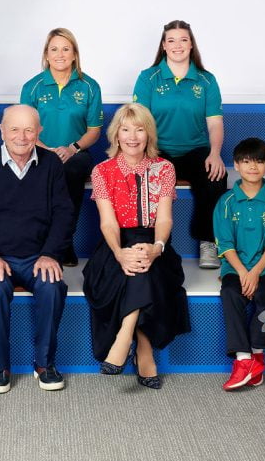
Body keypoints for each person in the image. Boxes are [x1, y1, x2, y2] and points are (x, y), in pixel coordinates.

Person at [0, 104, 73, 393]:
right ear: (1, 131)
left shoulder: (51, 164)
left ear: (39, 132)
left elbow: (63, 214)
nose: (22, 136)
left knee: (52, 285)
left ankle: (44, 363)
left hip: (37, 255)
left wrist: (50, 253)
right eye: (14, 129)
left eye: (29, 129)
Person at [82, 103, 190, 390]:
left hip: (155, 241)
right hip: (115, 244)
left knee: (145, 263)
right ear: (116, 135)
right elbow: (108, 223)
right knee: (134, 267)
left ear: (148, 135)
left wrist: (156, 247)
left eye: (139, 129)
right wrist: (119, 253)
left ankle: (124, 336)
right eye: (126, 130)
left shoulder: (164, 168)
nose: (132, 136)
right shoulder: (102, 171)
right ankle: (144, 350)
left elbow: (165, 219)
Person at [133, 19, 227, 269]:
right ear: (163, 46)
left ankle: (208, 241)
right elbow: (139, 120)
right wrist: (142, 156)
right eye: (171, 40)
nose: (177, 45)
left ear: (191, 44)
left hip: (194, 150)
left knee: (216, 176)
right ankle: (157, 244)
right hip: (157, 150)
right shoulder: (148, 78)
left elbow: (215, 123)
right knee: (143, 180)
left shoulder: (206, 80)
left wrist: (215, 153)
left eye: (183, 39)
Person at [214, 137, 265, 390]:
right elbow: (224, 243)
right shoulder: (225, 203)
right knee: (230, 293)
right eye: (246, 161)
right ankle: (244, 359)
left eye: (259, 161)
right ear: (236, 165)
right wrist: (241, 271)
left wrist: (256, 271)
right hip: (236, 265)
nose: (253, 167)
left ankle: (257, 353)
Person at [20, 27, 104, 266]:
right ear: (46, 54)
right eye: (54, 49)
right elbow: (24, 127)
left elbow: (94, 131)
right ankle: (36, 243)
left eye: (66, 49)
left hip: (76, 153)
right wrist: (45, 149)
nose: (60, 54)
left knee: (71, 171)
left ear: (75, 54)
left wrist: (71, 148)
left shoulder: (89, 86)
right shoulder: (32, 87)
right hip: (37, 150)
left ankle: (63, 244)